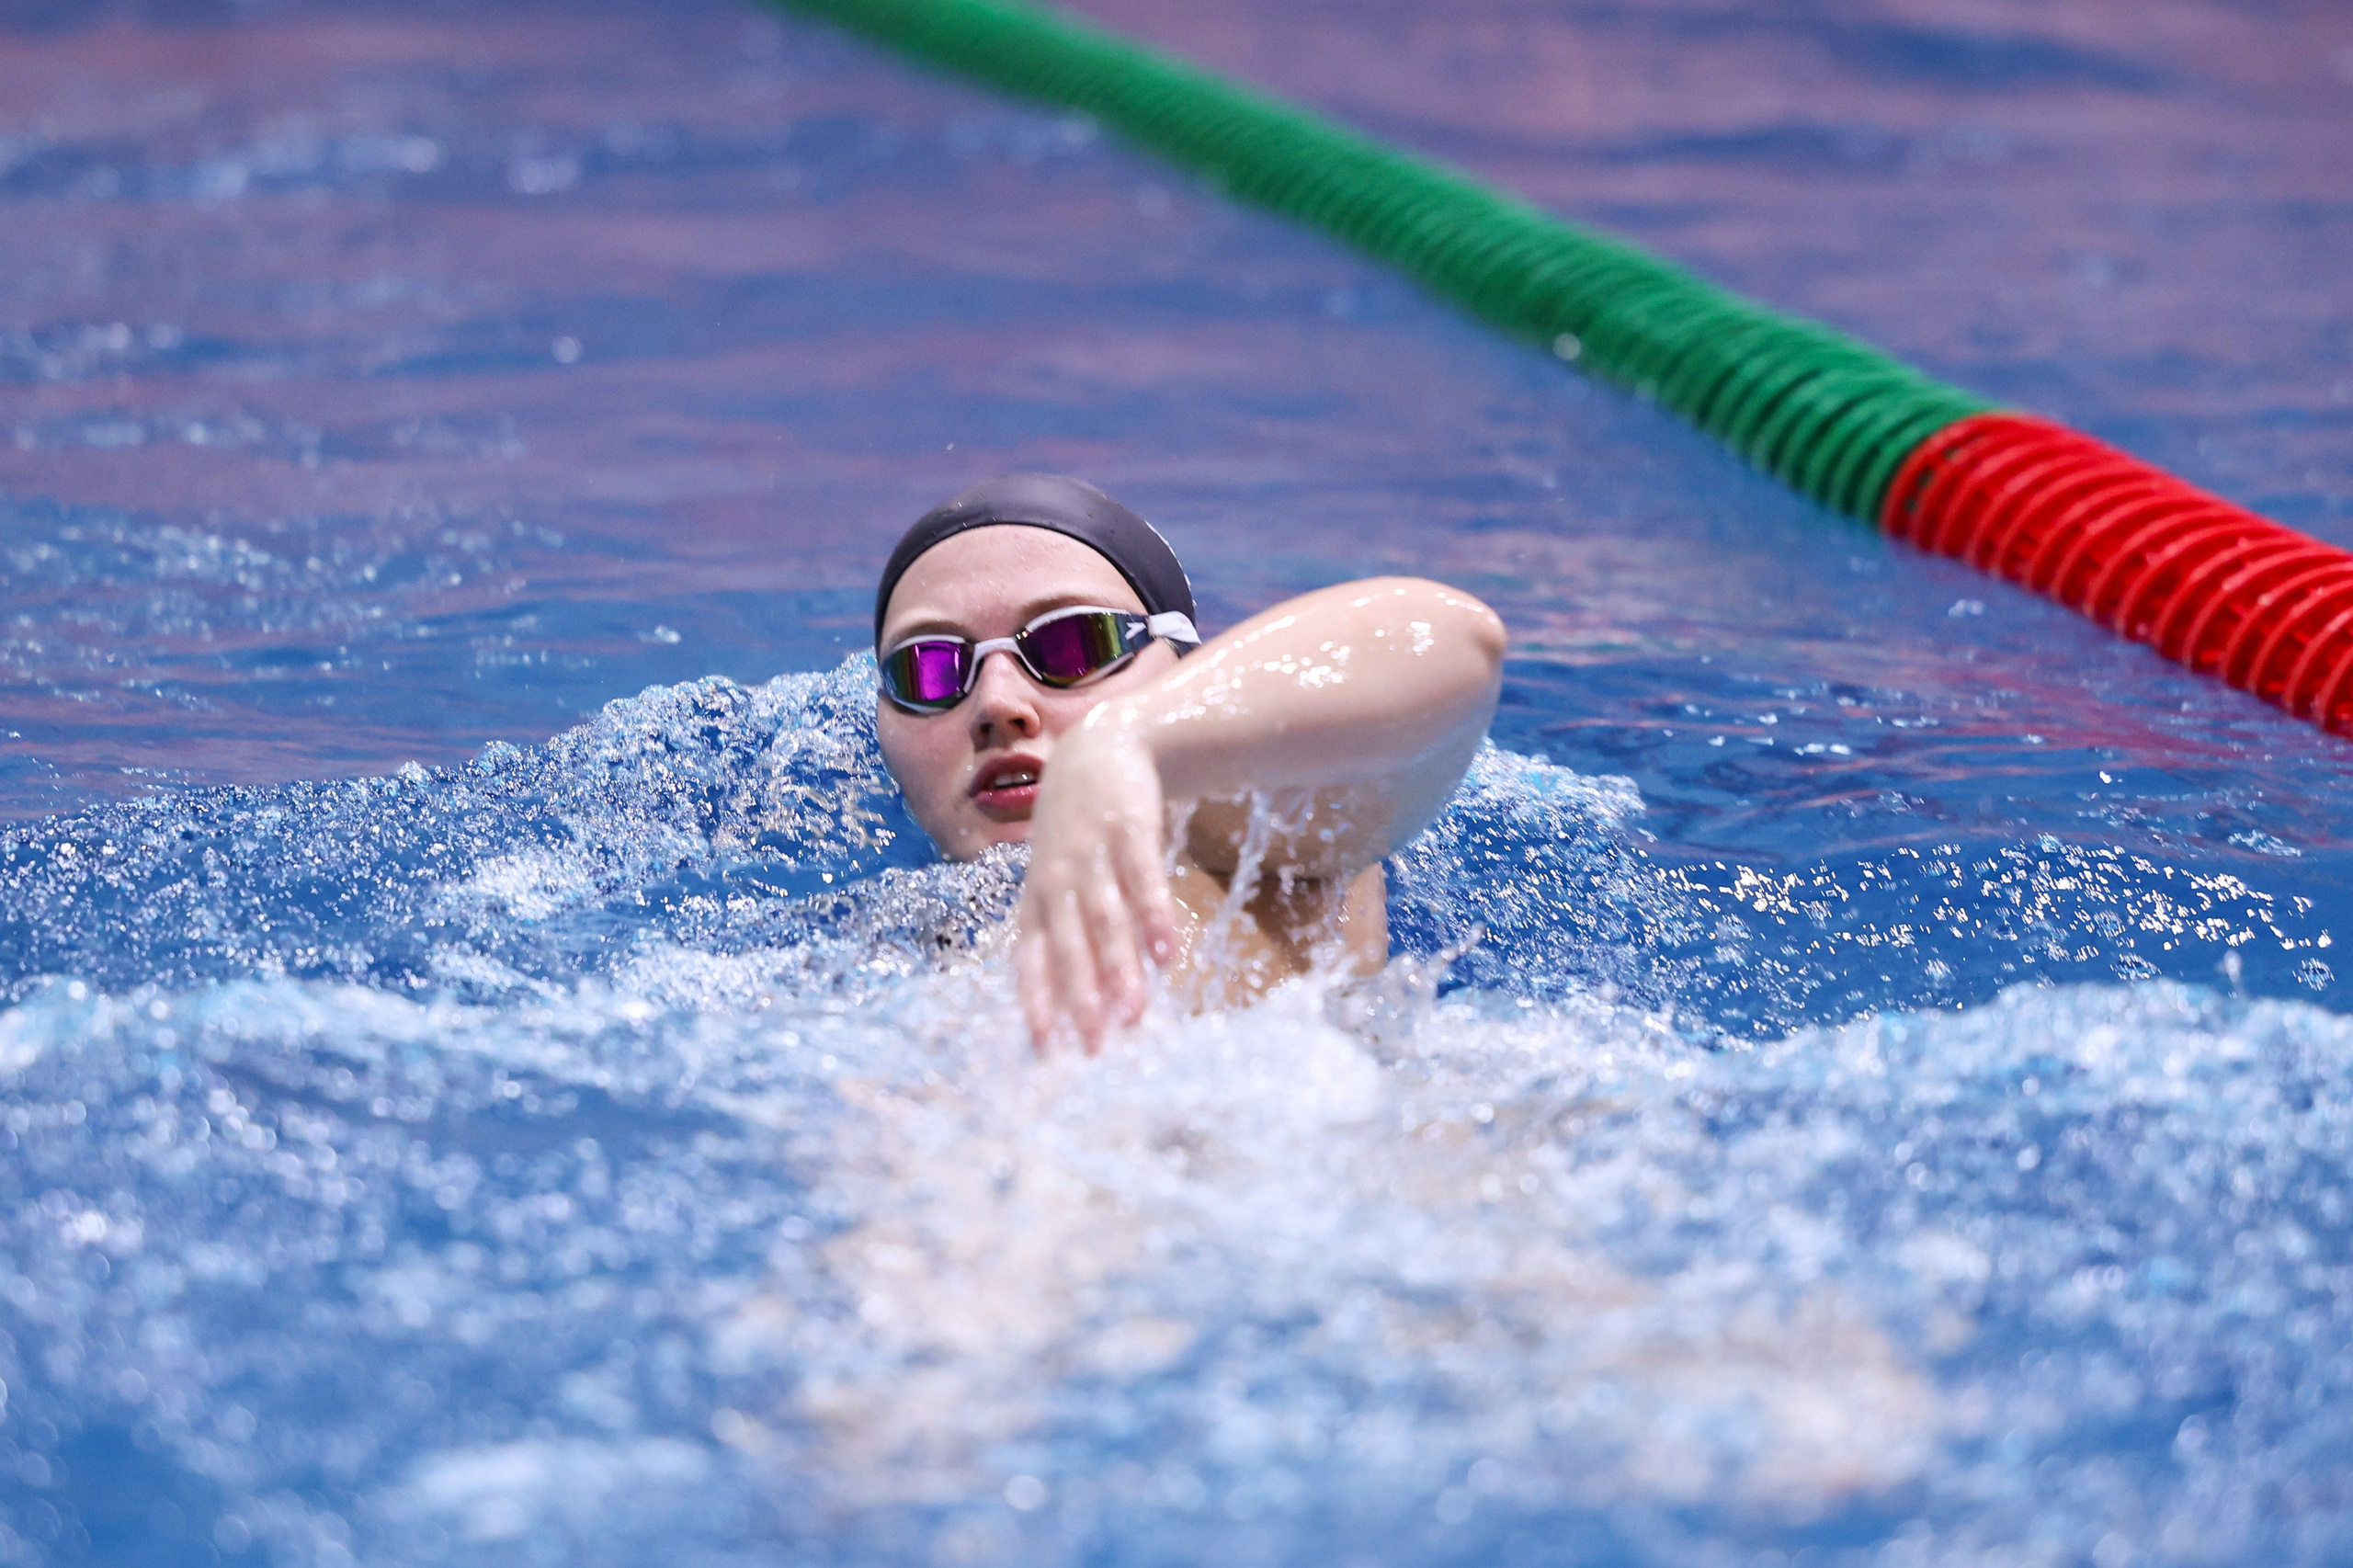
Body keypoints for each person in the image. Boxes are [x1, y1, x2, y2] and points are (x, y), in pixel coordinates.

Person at [871, 473, 1505, 1052]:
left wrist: (1125, 740)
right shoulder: (895, 929)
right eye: (929, 669)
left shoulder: (1236, 832)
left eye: (1072, 645)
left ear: (1185, 665)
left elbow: (1459, 641)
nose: (998, 703)